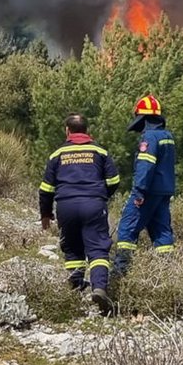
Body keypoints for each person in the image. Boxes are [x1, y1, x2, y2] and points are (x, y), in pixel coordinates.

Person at [39, 114, 120, 315]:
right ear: (86, 130)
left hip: (66, 205)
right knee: (98, 247)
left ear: (67, 130)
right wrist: (101, 196)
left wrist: (46, 214)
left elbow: (46, 189)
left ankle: (76, 286)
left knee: (72, 247)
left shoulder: (56, 155)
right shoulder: (100, 152)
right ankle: (99, 287)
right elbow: (114, 180)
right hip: (93, 204)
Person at [113, 94, 176, 274]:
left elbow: (146, 166)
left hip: (147, 192)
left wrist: (139, 192)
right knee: (162, 231)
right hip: (164, 193)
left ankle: (120, 272)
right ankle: (167, 273)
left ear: (144, 118)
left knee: (127, 227)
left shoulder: (149, 138)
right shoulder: (167, 136)